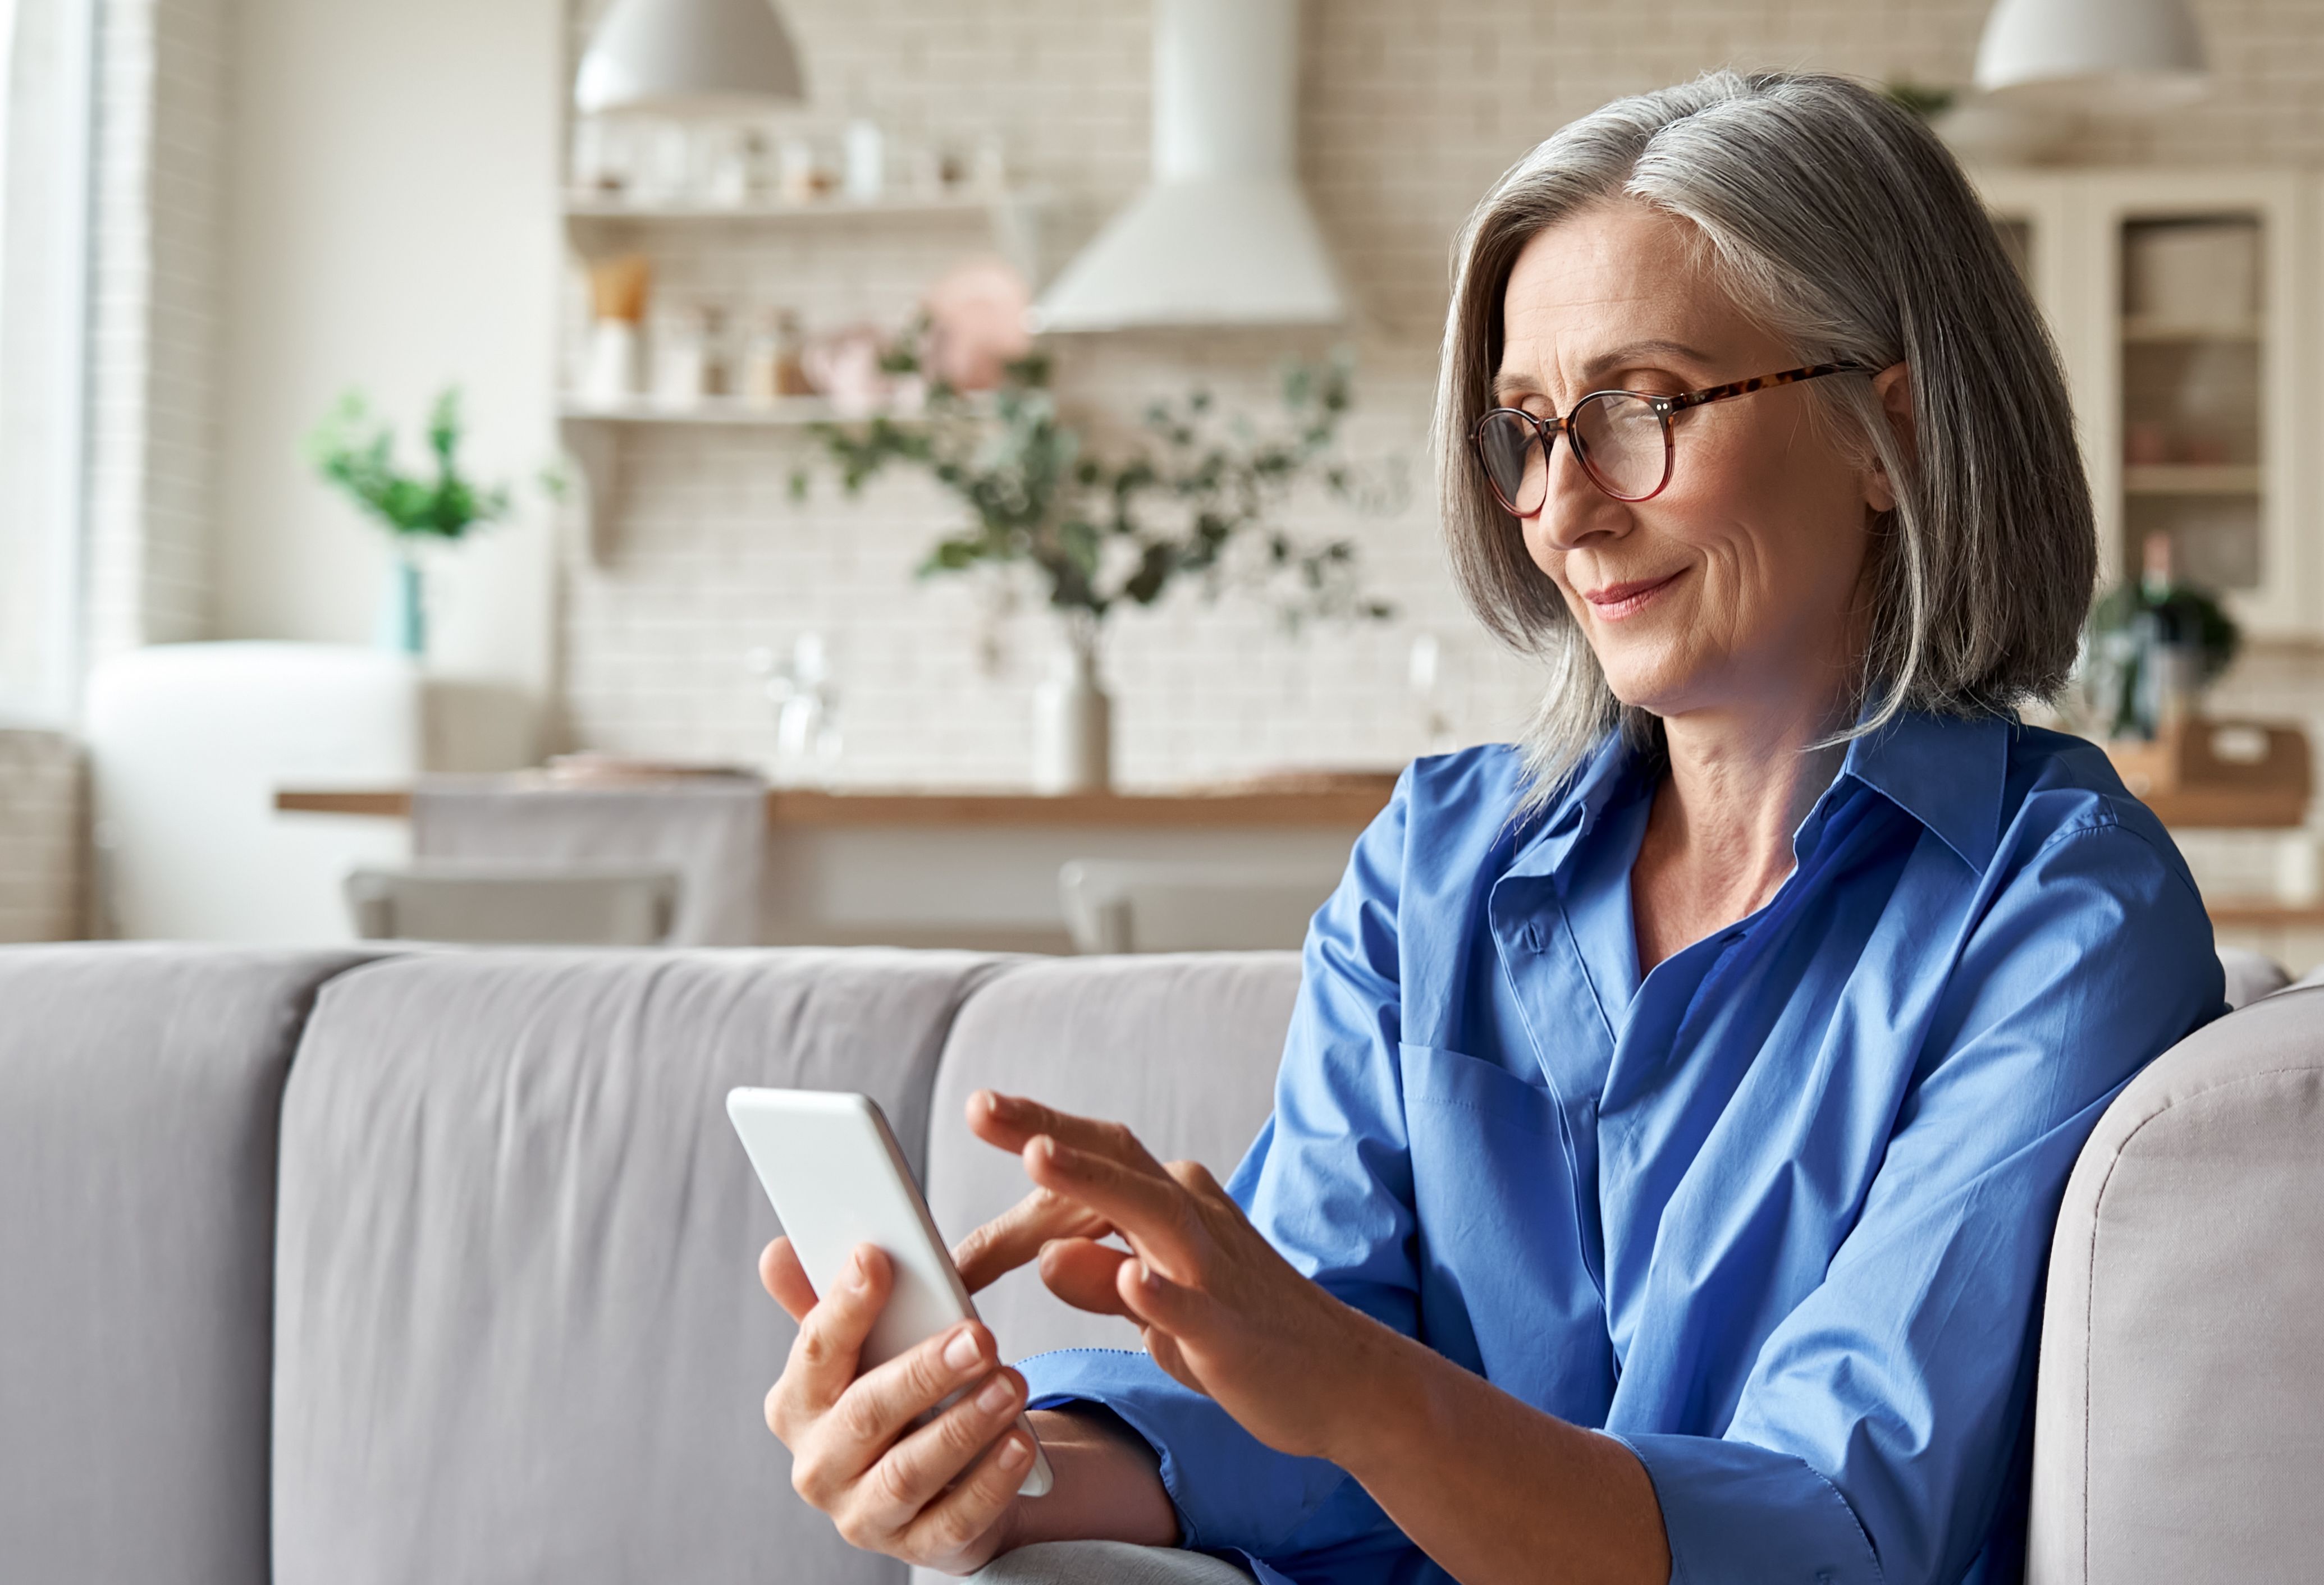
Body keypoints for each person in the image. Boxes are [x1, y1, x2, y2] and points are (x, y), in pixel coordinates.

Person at [753, 70, 2225, 1585]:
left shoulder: (2059, 915)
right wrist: (987, 1465)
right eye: (1527, 429)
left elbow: (1832, 1531)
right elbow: (1291, 1417)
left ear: (1885, 436)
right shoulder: (1434, 864)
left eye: (1639, 408)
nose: (1563, 508)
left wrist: (1347, 1385)